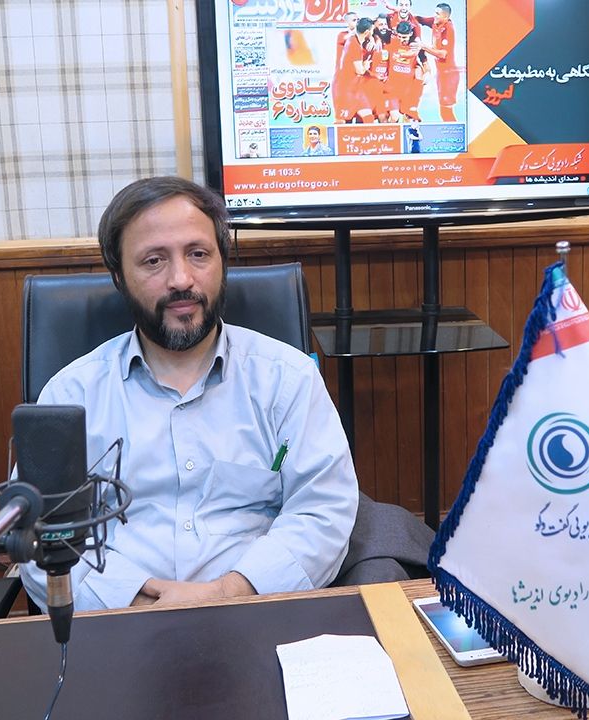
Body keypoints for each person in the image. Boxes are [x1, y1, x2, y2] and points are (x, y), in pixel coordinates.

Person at [20, 177, 359, 610]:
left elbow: (323, 511)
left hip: (257, 614)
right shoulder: (71, 395)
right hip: (116, 626)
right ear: (119, 276)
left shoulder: (287, 379)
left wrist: (224, 593)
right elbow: (42, 535)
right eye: (154, 261)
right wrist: (138, 604)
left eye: (198, 254)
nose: (181, 279)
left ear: (222, 262)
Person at [418, 3, 460, 121]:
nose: (434, 16)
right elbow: (420, 19)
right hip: (441, 74)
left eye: (437, 14)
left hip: (449, 75)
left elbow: (443, 54)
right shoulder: (435, 21)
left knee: (446, 112)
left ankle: (456, 132)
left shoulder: (448, 30)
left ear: (445, 17)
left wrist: (423, 46)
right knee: (443, 112)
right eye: (435, 12)